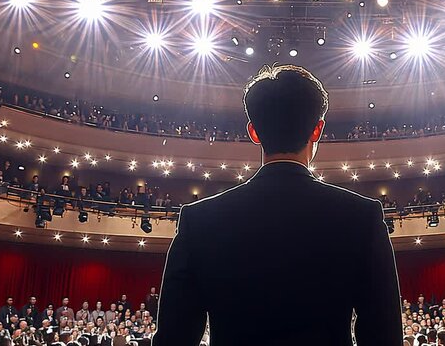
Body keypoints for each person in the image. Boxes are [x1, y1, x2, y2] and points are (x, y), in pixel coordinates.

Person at [154, 65, 401, 346]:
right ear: (317, 129)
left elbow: (173, 338)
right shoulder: (362, 217)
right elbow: (385, 336)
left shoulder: (198, 220)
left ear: (254, 132)